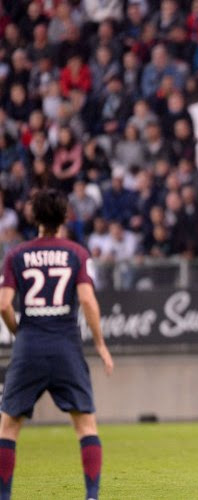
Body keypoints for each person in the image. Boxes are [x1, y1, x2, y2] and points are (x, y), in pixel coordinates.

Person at [0, 189, 114, 499]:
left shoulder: (16, 255)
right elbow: (88, 300)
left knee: (8, 428)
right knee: (86, 425)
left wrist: (18, 331)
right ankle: (91, 496)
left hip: (29, 344)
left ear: (33, 217)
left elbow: (4, 304)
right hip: (66, 344)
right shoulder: (76, 253)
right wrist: (101, 344)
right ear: (65, 217)